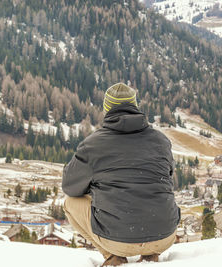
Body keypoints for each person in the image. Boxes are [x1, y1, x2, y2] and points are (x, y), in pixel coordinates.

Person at [62, 83, 180, 266]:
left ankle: (113, 257)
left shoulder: (93, 145)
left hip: (118, 240)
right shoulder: (161, 140)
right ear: (135, 105)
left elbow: (70, 187)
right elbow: (168, 175)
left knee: (70, 203)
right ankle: (151, 254)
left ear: (107, 108)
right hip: (164, 235)